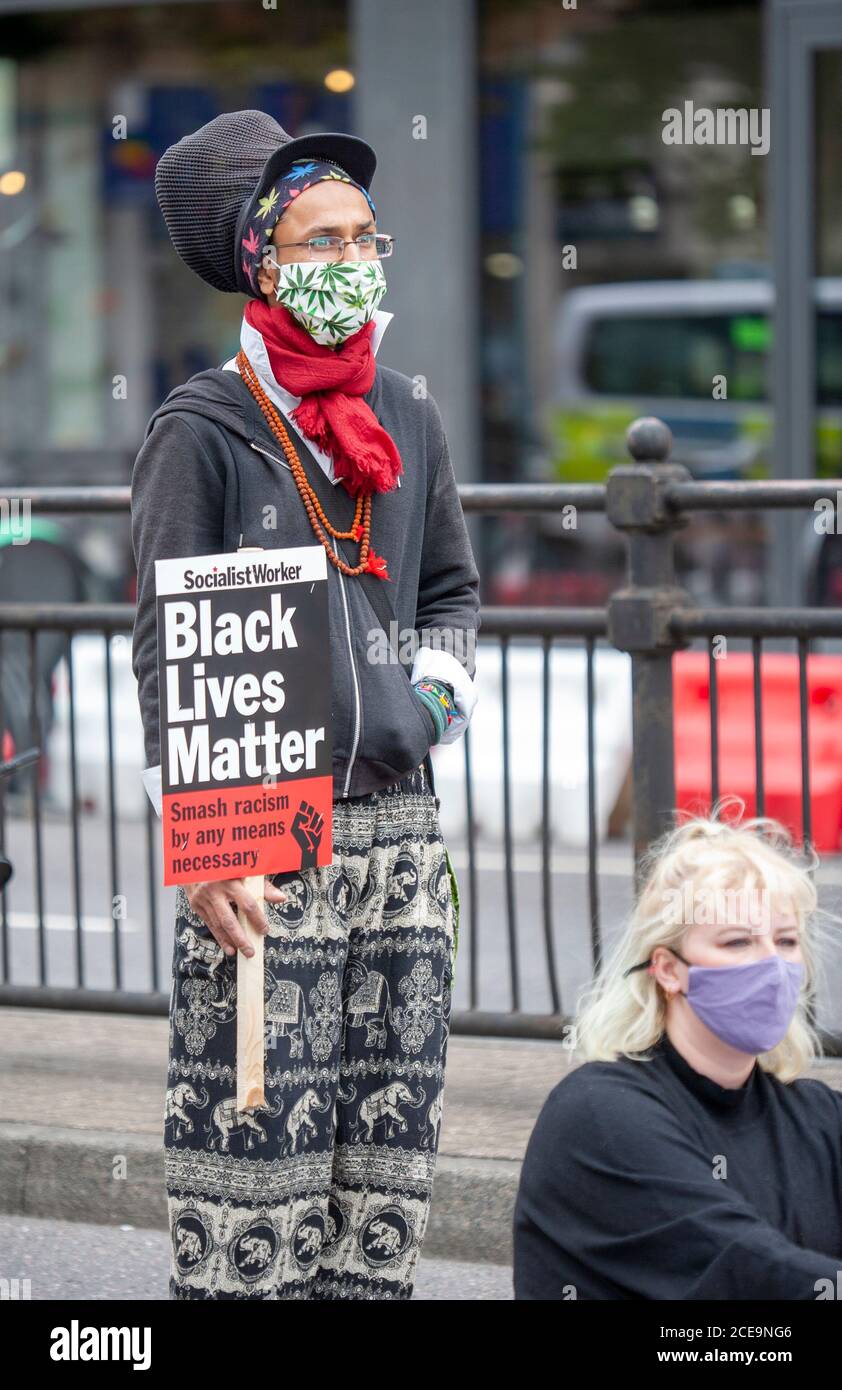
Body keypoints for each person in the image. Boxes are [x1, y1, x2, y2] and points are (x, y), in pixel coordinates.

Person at [131, 110, 480, 1299]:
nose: (351, 262)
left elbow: (450, 589)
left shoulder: (407, 414)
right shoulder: (202, 429)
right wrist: (202, 845)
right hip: (265, 840)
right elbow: (165, 643)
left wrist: (428, 707)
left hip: (398, 841)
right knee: (257, 1165)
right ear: (260, 265)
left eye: (361, 237)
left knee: (383, 1174)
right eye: (319, 242)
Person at [513, 810, 842, 1300]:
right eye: (738, 941)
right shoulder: (600, 1114)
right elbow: (748, 1268)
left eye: (786, 940)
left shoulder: (817, 1116)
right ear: (668, 970)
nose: (773, 965)